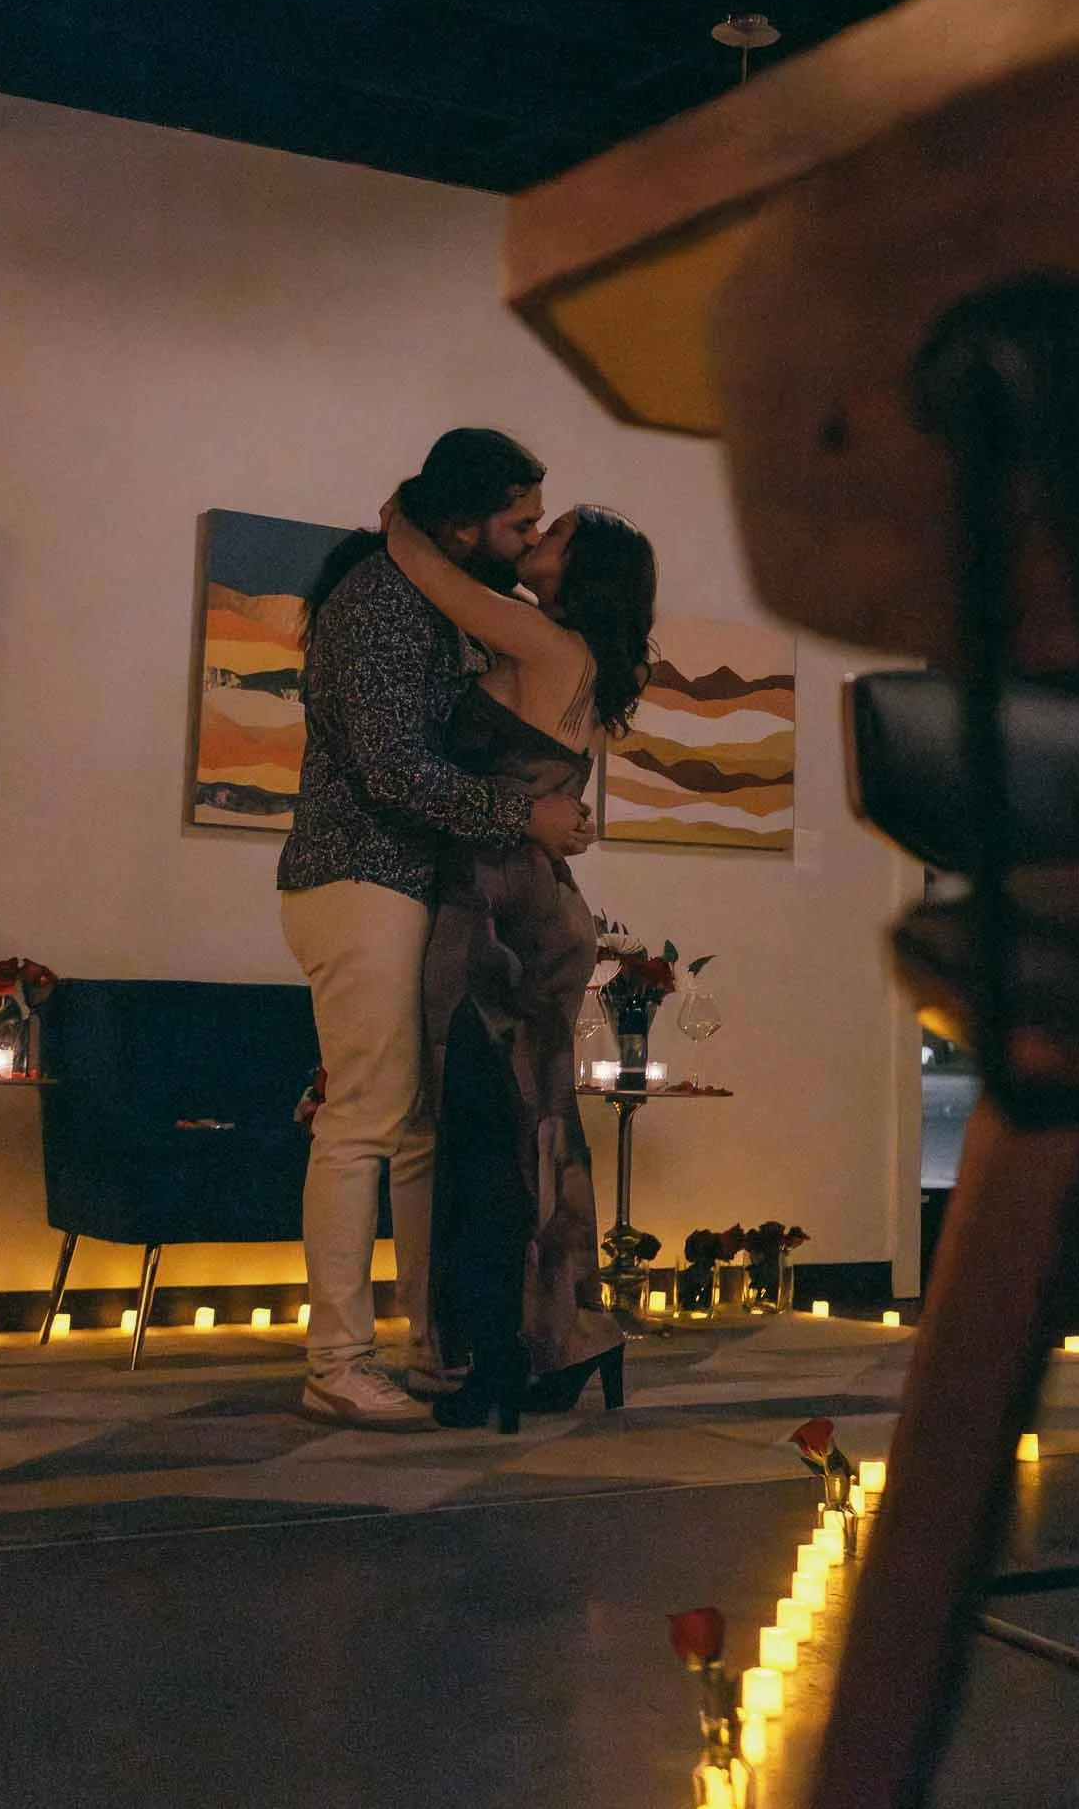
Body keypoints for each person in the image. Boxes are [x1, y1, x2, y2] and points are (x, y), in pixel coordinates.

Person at [277, 430, 593, 1430]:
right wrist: (523, 817)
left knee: (416, 1130)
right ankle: (336, 1358)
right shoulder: (376, 601)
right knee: (364, 1120)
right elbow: (389, 770)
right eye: (521, 522)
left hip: (406, 882)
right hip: (359, 873)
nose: (529, 538)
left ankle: (434, 1345)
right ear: (464, 522)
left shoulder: (435, 601)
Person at [382, 496, 657, 1431]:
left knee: (488, 1133)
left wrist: (406, 516)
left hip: (500, 912)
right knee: (537, 1130)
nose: (537, 537)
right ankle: (565, 1335)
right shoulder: (569, 657)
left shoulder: (547, 644)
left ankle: (495, 1350)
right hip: (530, 906)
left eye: (555, 531)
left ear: (580, 571)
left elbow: (436, 579)